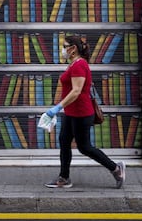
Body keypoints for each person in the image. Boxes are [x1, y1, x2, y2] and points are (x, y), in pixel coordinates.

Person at [44, 35, 126, 189]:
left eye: (64, 46)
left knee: (85, 147)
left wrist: (57, 107)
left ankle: (116, 169)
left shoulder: (79, 65)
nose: (62, 49)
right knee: (64, 141)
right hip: (71, 112)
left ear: (73, 48)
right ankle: (64, 178)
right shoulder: (74, 64)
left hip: (81, 113)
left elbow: (76, 91)